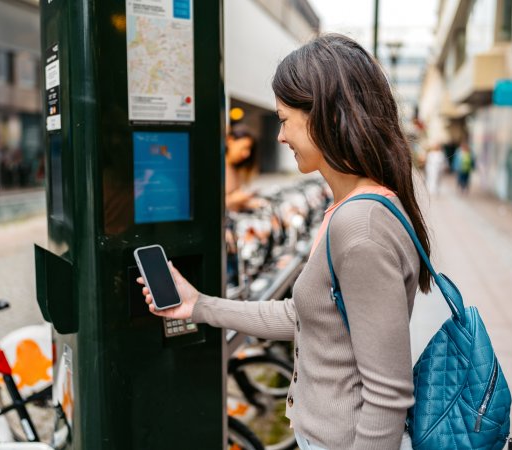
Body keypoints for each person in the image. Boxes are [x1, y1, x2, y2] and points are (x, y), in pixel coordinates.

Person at [138, 34, 432, 450]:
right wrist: (198, 305)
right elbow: (306, 316)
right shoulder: (354, 208)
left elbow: (388, 396)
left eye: (284, 119)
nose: (279, 136)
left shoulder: (361, 227)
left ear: (326, 116)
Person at [225, 125, 259, 211]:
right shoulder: (219, 168)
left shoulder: (236, 168)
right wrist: (234, 199)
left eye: (249, 149)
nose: (246, 154)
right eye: (244, 148)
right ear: (230, 141)